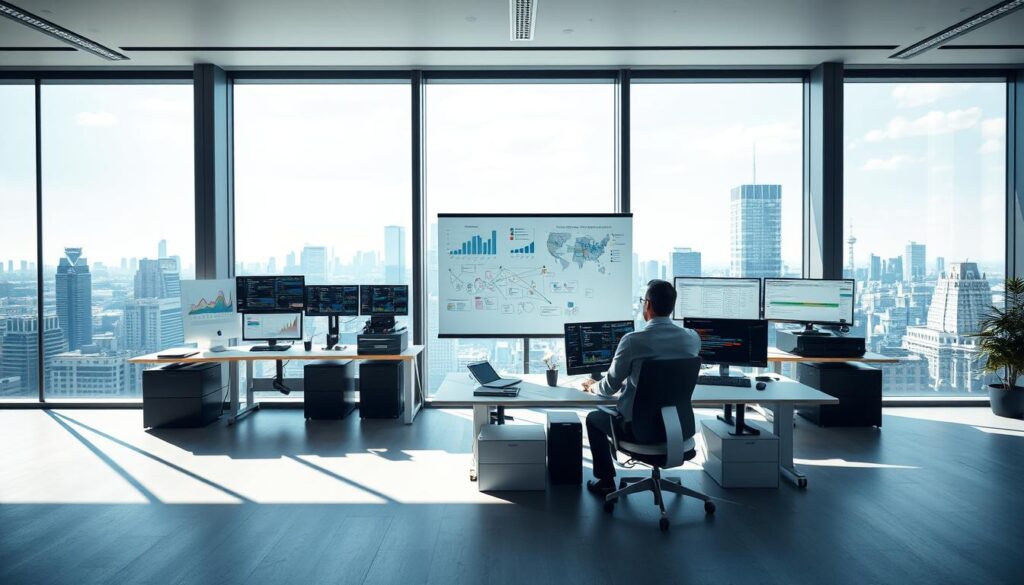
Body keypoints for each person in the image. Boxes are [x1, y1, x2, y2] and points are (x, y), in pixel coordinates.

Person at [581, 279, 701, 496]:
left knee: (594, 419)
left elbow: (608, 388)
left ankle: (606, 481)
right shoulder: (692, 339)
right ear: (672, 306)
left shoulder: (633, 341)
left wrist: (592, 387)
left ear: (648, 305)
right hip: (679, 428)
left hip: (640, 430)